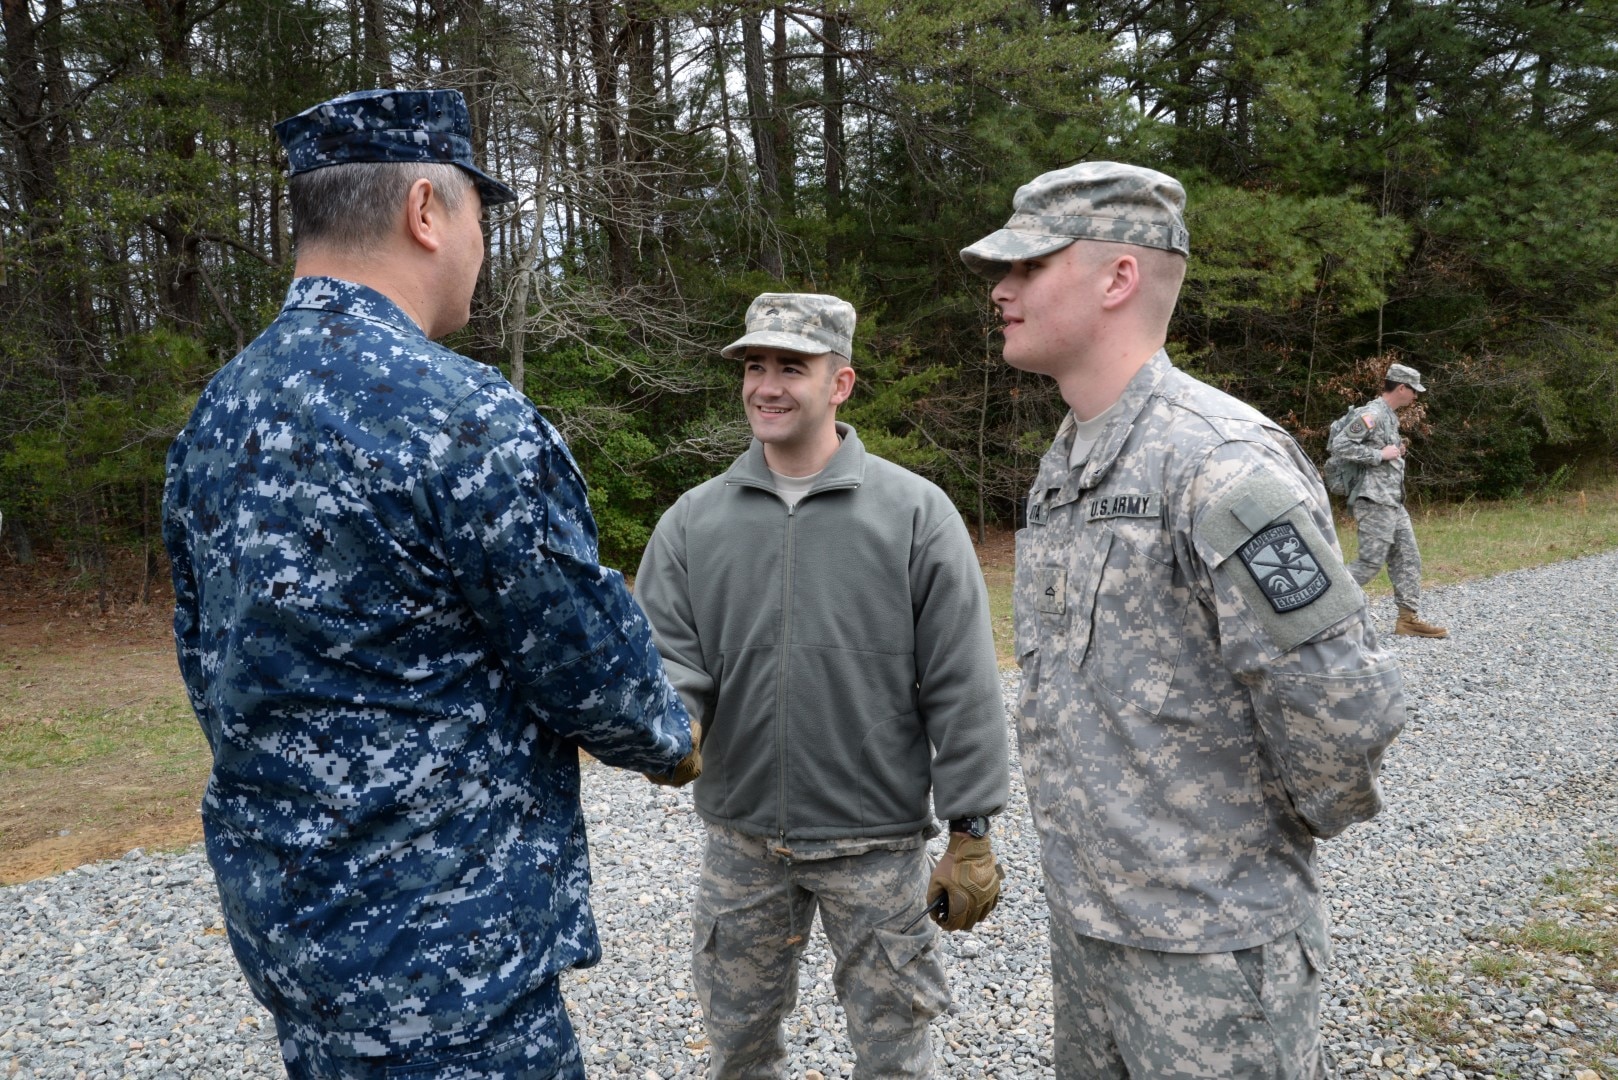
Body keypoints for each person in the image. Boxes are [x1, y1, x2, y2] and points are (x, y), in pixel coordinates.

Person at [161, 88, 693, 1080]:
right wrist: (672, 740)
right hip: (449, 961)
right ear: (424, 211)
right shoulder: (460, 416)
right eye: (477, 216)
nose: (481, 247)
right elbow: (584, 664)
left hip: (300, 941)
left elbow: (207, 663)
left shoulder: (216, 419)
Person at [960, 162, 1406, 1079]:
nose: (1001, 290)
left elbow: (1343, 704)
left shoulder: (1219, 460)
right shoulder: (1070, 461)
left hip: (1213, 949)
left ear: (1119, 277)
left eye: (1030, 266)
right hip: (1093, 931)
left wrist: (1236, 852)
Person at [633, 292, 1012, 1079]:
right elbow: (671, 656)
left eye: (790, 368)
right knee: (736, 1045)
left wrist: (971, 829)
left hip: (873, 844)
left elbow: (962, 681)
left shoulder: (915, 514)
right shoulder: (694, 521)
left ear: (840, 383)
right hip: (742, 843)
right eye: (755, 366)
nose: (766, 386)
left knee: (895, 1047)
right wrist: (670, 728)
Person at [1327, 365, 1449, 638]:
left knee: (1408, 557)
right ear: (1401, 388)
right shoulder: (1371, 414)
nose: (1416, 397)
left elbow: (1380, 449)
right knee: (1369, 563)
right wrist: (1379, 455)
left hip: (1392, 500)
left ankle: (1407, 619)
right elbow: (1341, 446)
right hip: (1373, 500)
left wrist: (1393, 451)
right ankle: (1321, 610)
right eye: (1414, 391)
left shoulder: (1389, 417)